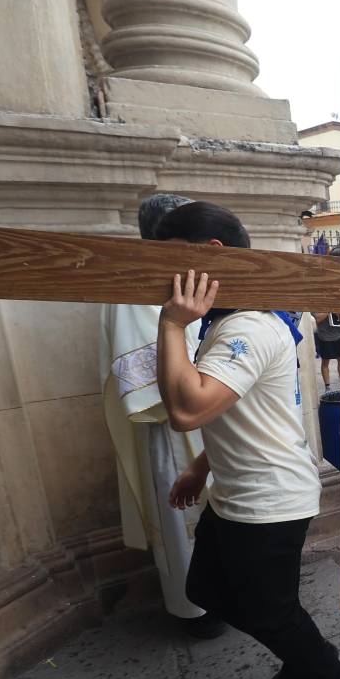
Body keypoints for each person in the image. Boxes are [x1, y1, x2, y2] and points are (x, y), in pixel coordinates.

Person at [155, 201, 340, 679]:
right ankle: (304, 656)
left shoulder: (245, 329)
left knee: (269, 610)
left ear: (211, 255)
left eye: (171, 262)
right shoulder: (239, 322)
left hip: (270, 499)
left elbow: (186, 410)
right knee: (210, 588)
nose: (165, 278)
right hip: (236, 491)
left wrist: (172, 321)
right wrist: (201, 467)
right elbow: (241, 416)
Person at [99, 193, 226, 641]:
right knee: (184, 522)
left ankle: (229, 597)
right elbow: (157, 389)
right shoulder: (134, 287)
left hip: (215, 412)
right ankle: (196, 609)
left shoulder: (188, 277)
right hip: (174, 430)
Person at [312, 312, 340, 393]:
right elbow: (317, 319)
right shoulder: (317, 303)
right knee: (325, 363)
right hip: (325, 337)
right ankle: (327, 387)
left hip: (339, 335)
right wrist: (329, 309)